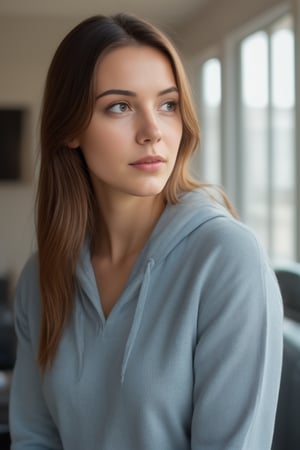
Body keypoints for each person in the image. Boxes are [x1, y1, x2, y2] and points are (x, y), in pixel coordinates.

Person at [9, 13, 283, 450]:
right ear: (71, 128)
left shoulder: (227, 259)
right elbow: (34, 438)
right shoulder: (41, 279)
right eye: (120, 106)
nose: (153, 132)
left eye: (167, 104)